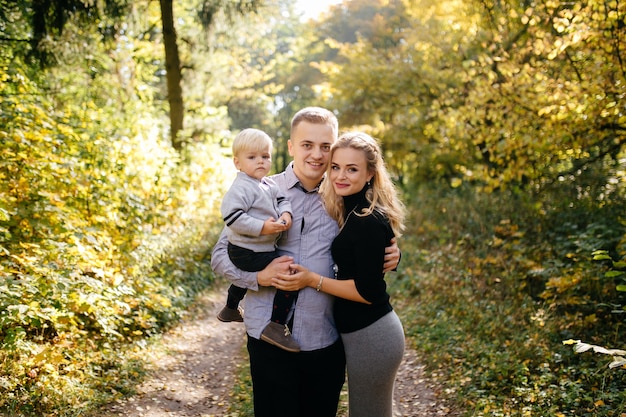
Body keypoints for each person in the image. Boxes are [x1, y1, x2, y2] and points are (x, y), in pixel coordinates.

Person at [210, 107, 401, 417]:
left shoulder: (342, 193)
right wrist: (261, 277)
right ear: (290, 147)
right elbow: (220, 256)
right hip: (267, 338)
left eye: (326, 146)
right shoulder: (260, 191)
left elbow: (370, 233)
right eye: (307, 145)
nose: (317, 154)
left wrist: (393, 252)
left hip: (325, 338)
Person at [273, 131, 407, 417]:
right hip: (358, 335)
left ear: (370, 173)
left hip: (373, 336)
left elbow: (368, 292)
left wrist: (313, 280)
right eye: (335, 167)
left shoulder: (366, 219)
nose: (340, 176)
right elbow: (366, 256)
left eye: (352, 169)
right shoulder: (348, 208)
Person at [217, 128, 300, 352]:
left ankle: (230, 307)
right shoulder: (241, 187)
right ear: (238, 163)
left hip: (255, 248)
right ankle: (276, 325)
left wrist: (286, 215)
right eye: (252, 157)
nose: (261, 162)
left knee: (245, 278)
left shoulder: (268, 185)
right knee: (289, 274)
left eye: (265, 156)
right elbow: (233, 217)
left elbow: (283, 199)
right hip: (245, 250)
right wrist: (262, 227)